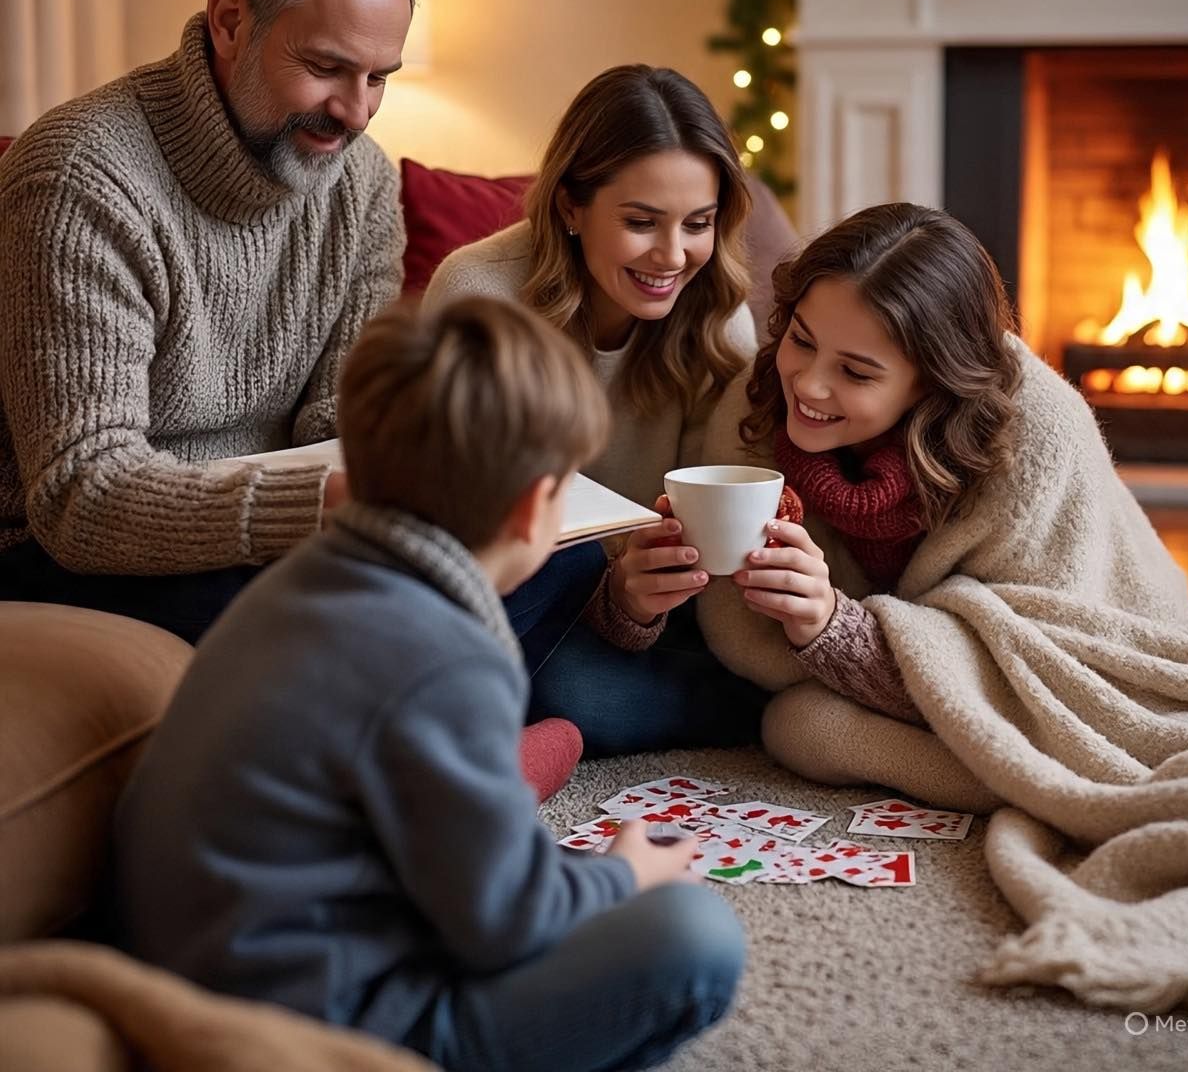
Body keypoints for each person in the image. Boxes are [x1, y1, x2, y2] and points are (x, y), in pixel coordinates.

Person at [113, 295, 745, 1071]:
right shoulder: (447, 658)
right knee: (695, 934)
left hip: (220, 962)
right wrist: (624, 875)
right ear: (533, 508)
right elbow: (504, 924)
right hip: (316, 1023)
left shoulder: (306, 575)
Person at [695, 202, 1188, 813]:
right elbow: (742, 634)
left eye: (856, 373)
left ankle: (1025, 774)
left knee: (808, 727)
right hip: (909, 671)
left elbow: (1046, 664)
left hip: (1077, 645)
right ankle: (1007, 769)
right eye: (801, 340)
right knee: (800, 725)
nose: (808, 383)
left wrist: (836, 629)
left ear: (933, 381)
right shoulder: (755, 408)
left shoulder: (1035, 435)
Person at [0, 0, 418, 642]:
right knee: (350, 627)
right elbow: (78, 496)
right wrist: (315, 508)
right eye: (327, 67)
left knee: (528, 566)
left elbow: (339, 413)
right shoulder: (79, 177)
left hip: (279, 535)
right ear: (231, 19)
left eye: (378, 78)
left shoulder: (361, 182)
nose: (356, 113)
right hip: (69, 553)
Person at [422, 65, 767, 753]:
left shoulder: (720, 323)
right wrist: (607, 592)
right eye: (641, 223)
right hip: (507, 593)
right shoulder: (480, 296)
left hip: (652, 614)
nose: (673, 256)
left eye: (698, 224)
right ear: (572, 208)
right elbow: (463, 534)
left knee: (586, 695)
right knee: (566, 643)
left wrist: (646, 594)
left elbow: (718, 523)